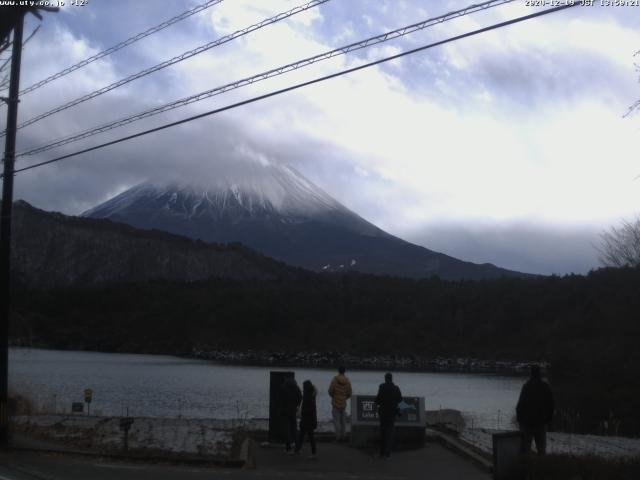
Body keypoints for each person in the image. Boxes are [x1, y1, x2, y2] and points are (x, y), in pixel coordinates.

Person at [516, 364, 554, 456]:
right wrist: (548, 419)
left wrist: (520, 420)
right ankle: (541, 468)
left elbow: (520, 405)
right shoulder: (545, 386)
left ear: (531, 373)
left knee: (525, 449)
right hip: (541, 422)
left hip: (527, 423)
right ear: (539, 373)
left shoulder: (526, 386)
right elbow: (551, 404)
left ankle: (526, 468)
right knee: (541, 450)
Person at [375, 372, 402, 458]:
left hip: (383, 413)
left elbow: (377, 401)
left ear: (385, 378)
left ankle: (381, 452)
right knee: (389, 433)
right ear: (391, 379)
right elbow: (400, 399)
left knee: (382, 432)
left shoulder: (382, 387)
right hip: (392, 413)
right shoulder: (396, 388)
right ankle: (388, 453)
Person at [295, 380, 318, 459]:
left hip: (306, 419)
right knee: (308, 436)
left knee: (303, 435)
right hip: (311, 419)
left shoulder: (307, 396)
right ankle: (311, 452)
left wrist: (301, 414)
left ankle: (299, 450)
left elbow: (306, 408)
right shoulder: (312, 395)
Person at [328, 365, 352, 442]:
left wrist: (334, 397)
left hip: (335, 403)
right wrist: (344, 398)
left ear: (338, 371)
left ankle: (338, 437)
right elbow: (349, 393)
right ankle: (343, 436)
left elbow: (330, 391)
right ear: (344, 371)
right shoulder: (347, 381)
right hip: (343, 403)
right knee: (343, 421)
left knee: (336, 421)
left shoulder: (334, 380)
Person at [281, 376, 302, 453]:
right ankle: (297, 447)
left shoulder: (283, 387)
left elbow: (280, 399)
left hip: (285, 410)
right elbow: (300, 397)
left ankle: (288, 447)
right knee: (294, 428)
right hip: (293, 410)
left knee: (287, 429)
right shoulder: (296, 387)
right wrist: (297, 405)